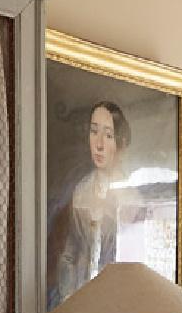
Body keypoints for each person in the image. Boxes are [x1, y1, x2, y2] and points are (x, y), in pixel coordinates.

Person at [55, 101, 132, 302]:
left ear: (121, 143)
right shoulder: (81, 191)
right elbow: (69, 255)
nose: (99, 144)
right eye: (94, 132)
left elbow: (130, 261)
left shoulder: (130, 194)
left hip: (116, 301)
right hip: (82, 302)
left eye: (108, 135)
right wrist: (69, 299)